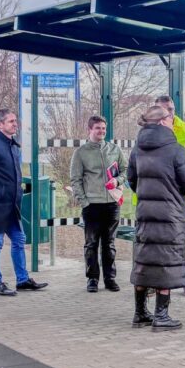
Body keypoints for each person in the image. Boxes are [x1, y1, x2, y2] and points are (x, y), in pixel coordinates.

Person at [127, 105, 185, 331]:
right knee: (166, 262)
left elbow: (132, 180)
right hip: (170, 217)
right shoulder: (176, 150)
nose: (172, 122)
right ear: (161, 122)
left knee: (144, 261)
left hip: (145, 214)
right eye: (170, 119)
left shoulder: (137, 149)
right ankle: (161, 315)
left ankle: (140, 313)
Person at [0, 108, 49, 296]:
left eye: (15, 121)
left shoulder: (13, 145)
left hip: (12, 205)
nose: (15, 124)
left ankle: (22, 280)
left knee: (19, 239)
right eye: (11, 121)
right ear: (0, 125)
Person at [70, 115, 128, 293]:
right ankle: (92, 279)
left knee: (109, 244)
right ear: (90, 130)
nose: (101, 131)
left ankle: (110, 279)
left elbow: (125, 171)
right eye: (98, 128)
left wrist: (117, 182)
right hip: (92, 205)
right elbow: (75, 180)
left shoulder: (115, 149)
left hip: (112, 204)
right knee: (91, 243)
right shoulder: (81, 153)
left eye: (103, 128)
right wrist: (85, 202)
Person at [153, 94, 185, 297]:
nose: (169, 114)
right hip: (157, 199)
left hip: (183, 199)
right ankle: (154, 283)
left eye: (171, 109)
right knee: (155, 242)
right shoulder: (148, 133)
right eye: (164, 110)